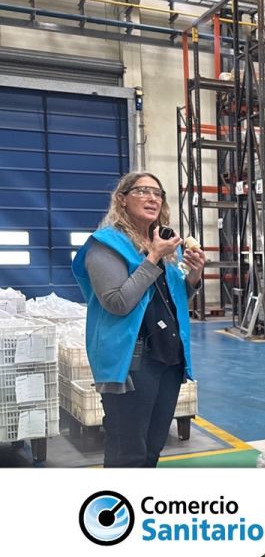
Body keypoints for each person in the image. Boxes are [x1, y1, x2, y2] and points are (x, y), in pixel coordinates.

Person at [72, 172, 206, 467]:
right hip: (132, 362)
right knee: (127, 452)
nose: (152, 198)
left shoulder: (165, 243)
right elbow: (118, 302)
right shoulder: (105, 245)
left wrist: (194, 276)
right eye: (143, 191)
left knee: (153, 447)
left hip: (168, 358)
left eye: (158, 193)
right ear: (122, 199)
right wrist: (153, 257)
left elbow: (172, 300)